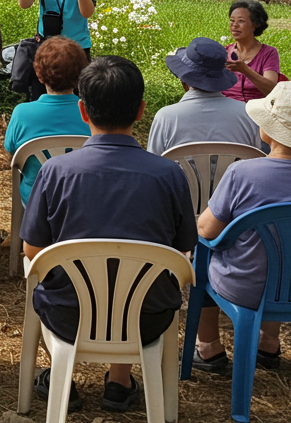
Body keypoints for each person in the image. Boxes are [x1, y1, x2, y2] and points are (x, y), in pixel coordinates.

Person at [23, 55, 197, 414]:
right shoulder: (169, 175)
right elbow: (183, 247)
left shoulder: (56, 172)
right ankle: (120, 382)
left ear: (83, 111)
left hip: (68, 314)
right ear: (141, 111)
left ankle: (62, 376)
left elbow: (33, 249)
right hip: (147, 315)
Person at [197, 82, 291, 371]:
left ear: (267, 131)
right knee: (287, 249)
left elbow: (207, 230)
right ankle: (269, 342)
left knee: (203, 252)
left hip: (246, 287)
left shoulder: (242, 173)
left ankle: (209, 348)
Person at [4, 36, 91, 207]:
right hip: (83, 198)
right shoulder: (92, 115)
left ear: (39, 74)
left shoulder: (22, 113)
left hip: (35, 201)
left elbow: (12, 153)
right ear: (81, 74)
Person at [147, 37, 261, 156]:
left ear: (184, 81)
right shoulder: (248, 114)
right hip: (236, 175)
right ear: (221, 78)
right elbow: (257, 159)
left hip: (183, 175)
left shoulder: (166, 117)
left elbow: (153, 164)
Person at [224, 0, 280, 103]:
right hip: (226, 111)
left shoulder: (268, 53)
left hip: (255, 112)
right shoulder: (224, 52)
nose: (234, 25)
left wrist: (245, 70)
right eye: (232, 20)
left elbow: (272, 91)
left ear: (255, 24)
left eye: (241, 21)